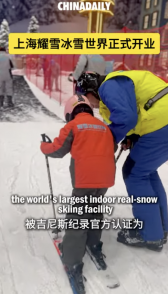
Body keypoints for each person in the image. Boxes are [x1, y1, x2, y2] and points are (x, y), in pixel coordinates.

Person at [74, 70, 168, 252]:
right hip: (163, 121)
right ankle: (159, 228)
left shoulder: (108, 85)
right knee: (146, 172)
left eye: (83, 96)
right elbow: (134, 112)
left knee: (134, 174)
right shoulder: (114, 87)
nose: (87, 103)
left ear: (91, 89)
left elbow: (127, 117)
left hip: (162, 122)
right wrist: (130, 137)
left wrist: (108, 139)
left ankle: (149, 234)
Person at [40, 94, 117, 294]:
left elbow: (57, 149)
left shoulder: (73, 126)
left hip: (85, 180)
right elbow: (113, 146)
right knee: (94, 209)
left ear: (70, 112)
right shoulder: (104, 127)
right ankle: (93, 242)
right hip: (105, 179)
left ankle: (72, 260)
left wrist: (44, 146)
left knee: (78, 217)